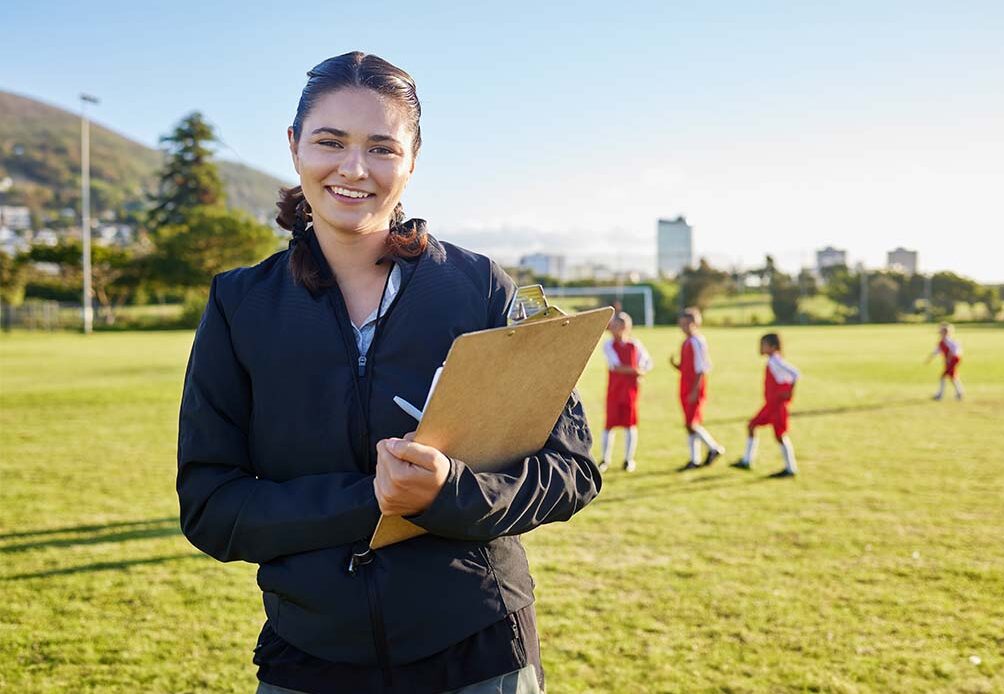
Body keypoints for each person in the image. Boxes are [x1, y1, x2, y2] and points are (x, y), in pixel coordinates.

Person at [176, 52, 601, 694]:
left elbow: (570, 469)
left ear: (412, 159)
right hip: (309, 653)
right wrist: (369, 501)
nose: (354, 168)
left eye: (381, 147)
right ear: (294, 147)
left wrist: (448, 491)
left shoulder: (479, 288)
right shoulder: (240, 304)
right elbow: (210, 506)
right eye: (330, 142)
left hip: (478, 652)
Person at [731, 332, 800, 478]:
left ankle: (791, 468)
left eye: (763, 345)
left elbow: (795, 373)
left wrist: (789, 392)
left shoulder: (775, 361)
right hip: (770, 405)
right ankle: (747, 460)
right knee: (751, 426)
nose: (760, 348)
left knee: (780, 436)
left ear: (773, 347)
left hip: (777, 406)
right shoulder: (772, 361)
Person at [670, 308, 724, 471]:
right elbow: (689, 367)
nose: (684, 327)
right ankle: (694, 459)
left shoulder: (697, 342)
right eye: (682, 324)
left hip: (694, 388)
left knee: (692, 423)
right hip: (686, 386)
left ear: (695, 323)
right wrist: (677, 366)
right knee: (689, 424)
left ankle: (714, 448)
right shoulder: (687, 341)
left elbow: (702, 368)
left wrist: (695, 390)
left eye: (687, 323)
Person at [599, 312, 652, 473]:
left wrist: (639, 371)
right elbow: (616, 366)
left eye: (616, 325)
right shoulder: (608, 345)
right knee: (610, 425)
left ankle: (628, 459)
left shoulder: (635, 344)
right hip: (615, 390)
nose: (613, 329)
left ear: (626, 327)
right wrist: (637, 372)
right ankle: (605, 459)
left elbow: (647, 362)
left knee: (630, 424)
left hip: (630, 392)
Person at [926, 322, 964, 400]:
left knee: (943, 377)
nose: (940, 334)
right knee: (952, 377)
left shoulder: (948, 341)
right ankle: (959, 393)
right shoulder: (942, 342)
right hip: (950, 360)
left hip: (953, 360)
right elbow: (936, 351)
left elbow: (954, 351)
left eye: (942, 332)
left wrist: (949, 360)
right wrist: (930, 358)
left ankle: (940, 395)